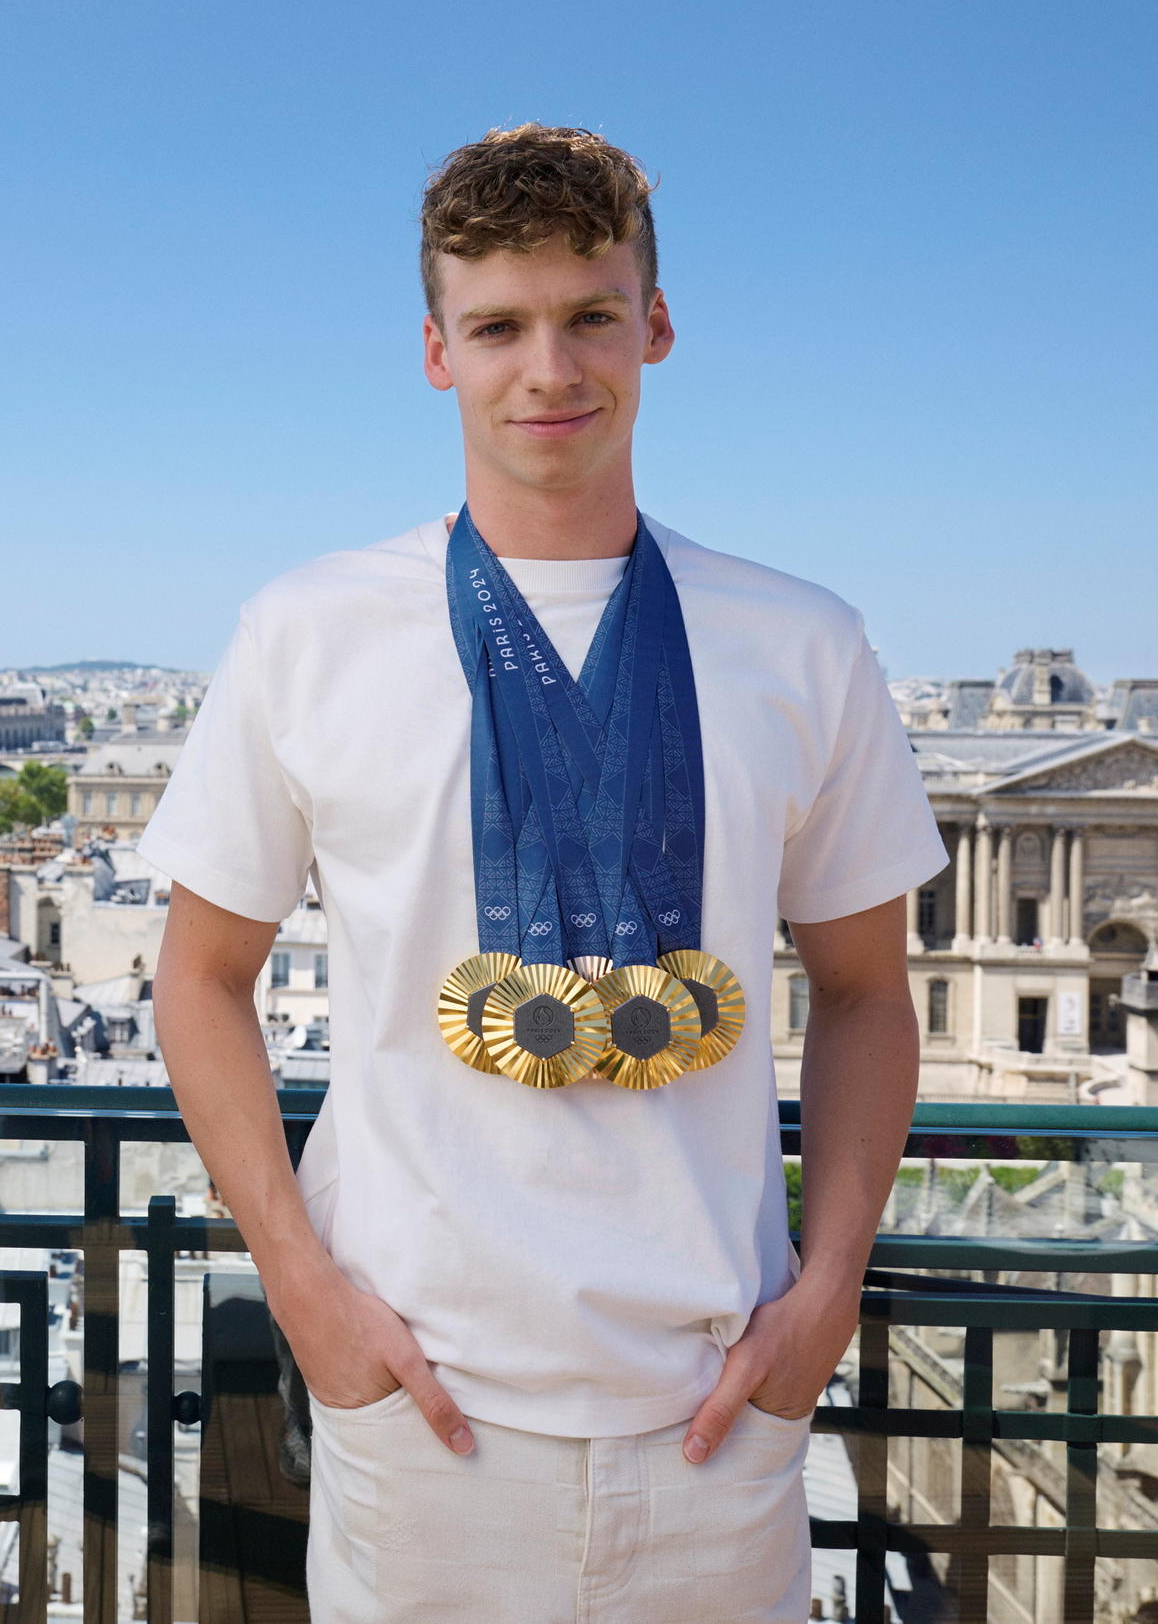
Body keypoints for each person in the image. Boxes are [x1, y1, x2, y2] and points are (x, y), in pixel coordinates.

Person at [141, 124, 946, 1621]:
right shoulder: (307, 630)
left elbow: (863, 994)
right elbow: (196, 982)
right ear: (436, 352)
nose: (550, 371)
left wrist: (823, 1297)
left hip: (720, 1404)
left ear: (656, 326)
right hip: (421, 1405)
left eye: (588, 317)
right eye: (501, 326)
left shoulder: (804, 643)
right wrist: (306, 1293)